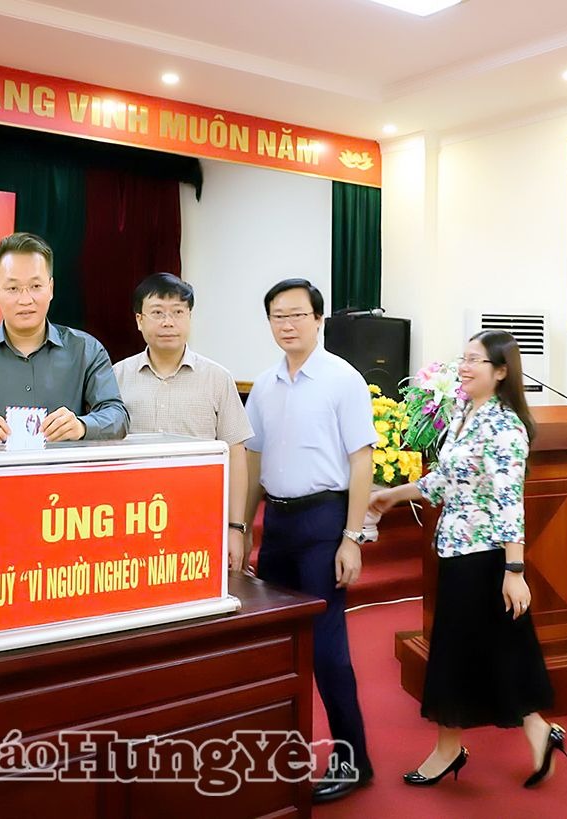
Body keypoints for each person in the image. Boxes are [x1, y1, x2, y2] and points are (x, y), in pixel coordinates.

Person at [369, 330, 566, 790]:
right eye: (463, 358)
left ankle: (448, 749)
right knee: (500, 648)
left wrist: (514, 571)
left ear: (501, 372)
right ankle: (538, 730)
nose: (464, 366)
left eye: (475, 360)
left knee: (455, 654)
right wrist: (394, 495)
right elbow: (444, 479)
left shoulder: (505, 427)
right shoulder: (463, 412)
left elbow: (509, 502)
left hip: (485, 557)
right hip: (457, 549)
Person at [242, 278, 377, 803]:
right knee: (276, 646)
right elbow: (254, 462)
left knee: (327, 650)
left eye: (298, 314)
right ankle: (281, 755)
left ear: (319, 320)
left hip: (325, 523)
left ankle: (353, 759)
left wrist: (352, 537)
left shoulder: (344, 379)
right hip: (277, 523)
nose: (288, 325)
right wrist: (242, 529)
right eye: (278, 316)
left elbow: (361, 461)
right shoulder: (264, 385)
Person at [0, 232, 129, 444]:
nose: (25, 299)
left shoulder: (86, 349)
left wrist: (82, 426)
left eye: (36, 286)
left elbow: (117, 416)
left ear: (51, 289)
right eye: (13, 288)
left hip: (62, 465)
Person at [113, 273, 254, 570]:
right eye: (157, 313)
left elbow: (236, 454)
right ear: (139, 320)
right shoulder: (116, 377)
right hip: (132, 520)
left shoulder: (217, 379)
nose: (168, 322)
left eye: (178, 312)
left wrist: (235, 528)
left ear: (189, 317)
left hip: (201, 518)